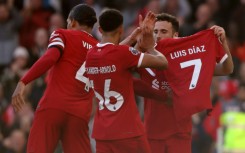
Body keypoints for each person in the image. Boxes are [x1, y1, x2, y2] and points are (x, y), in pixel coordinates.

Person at [136, 13, 233, 153]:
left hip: (180, 134)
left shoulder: (187, 59)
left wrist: (223, 42)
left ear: (175, 35)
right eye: (155, 31)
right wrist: (139, 40)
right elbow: (121, 64)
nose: (158, 36)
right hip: (152, 133)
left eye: (164, 31)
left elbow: (227, 69)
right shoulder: (143, 58)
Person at [11, 4, 98, 153]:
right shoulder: (100, 48)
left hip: (54, 106)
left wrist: (23, 81)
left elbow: (50, 57)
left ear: (73, 22)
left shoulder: (62, 34)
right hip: (79, 114)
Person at [84, 9, 168, 153]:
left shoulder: (90, 54)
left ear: (99, 29)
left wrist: (131, 38)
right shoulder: (122, 54)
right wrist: (150, 46)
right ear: (121, 29)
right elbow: (162, 62)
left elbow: (114, 55)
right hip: (128, 131)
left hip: (102, 133)